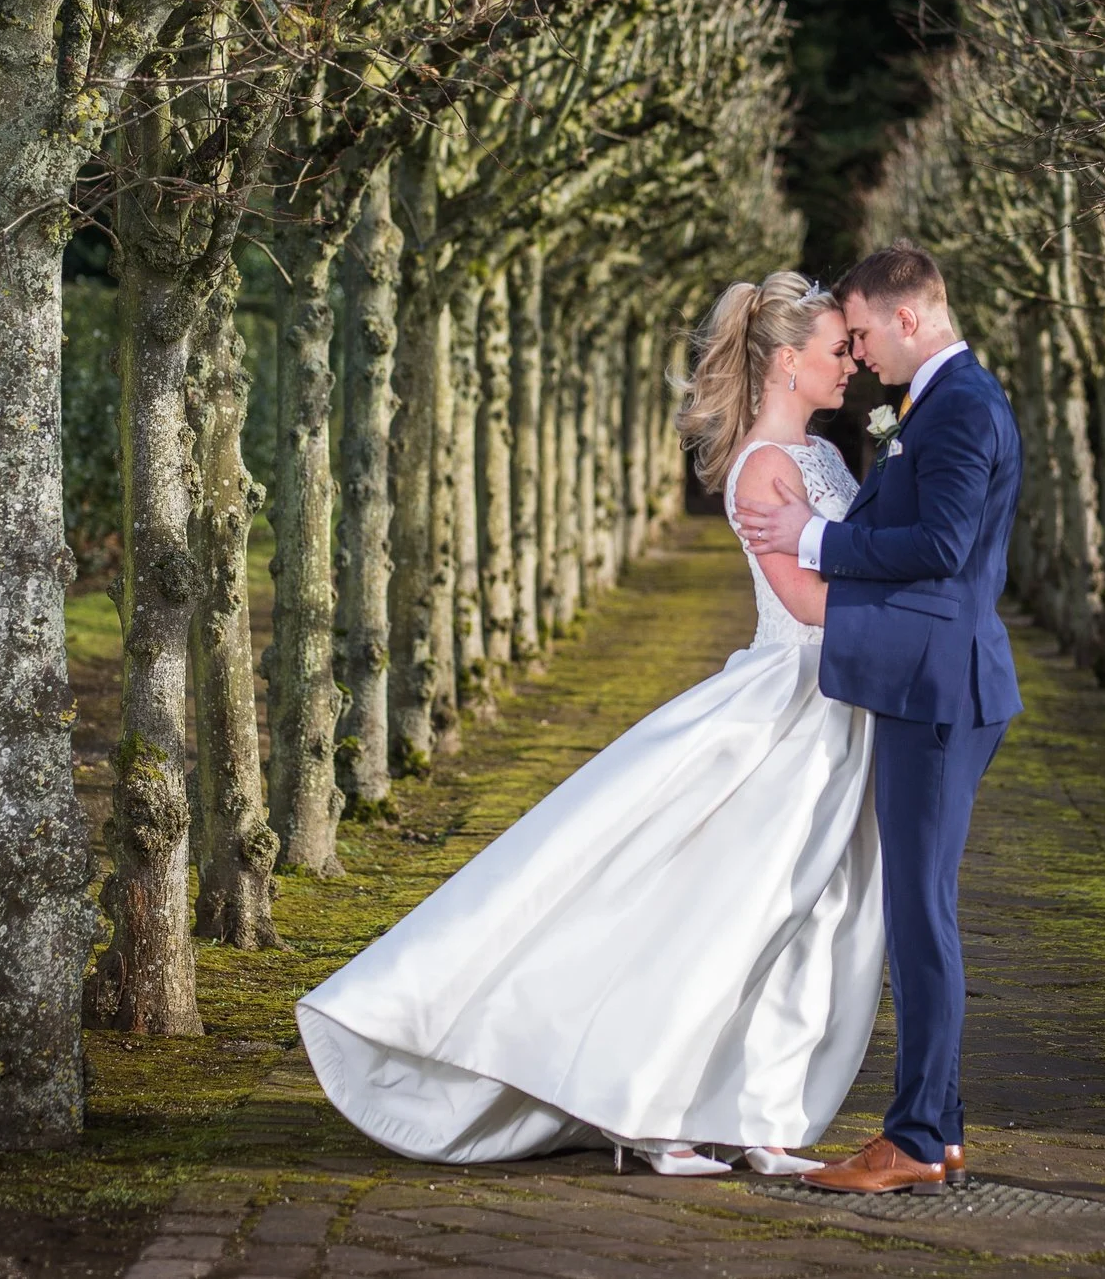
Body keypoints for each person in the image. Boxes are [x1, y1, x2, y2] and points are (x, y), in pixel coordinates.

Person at [295, 271, 881, 1178]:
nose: (853, 363)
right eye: (839, 349)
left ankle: (758, 1113)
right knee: (732, 913)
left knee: (808, 915)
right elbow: (807, 604)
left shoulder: (827, 461)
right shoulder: (768, 465)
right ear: (786, 361)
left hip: (839, 703)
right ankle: (653, 1110)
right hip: (791, 705)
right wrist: (917, 604)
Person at [735, 241, 1023, 1196]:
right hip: (931, 680)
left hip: (939, 689)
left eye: (860, 332)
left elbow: (942, 545)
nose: (857, 354)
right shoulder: (943, 402)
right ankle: (936, 1132)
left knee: (920, 915)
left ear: (909, 317)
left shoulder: (960, 406)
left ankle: (910, 1139)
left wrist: (815, 535)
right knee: (918, 907)